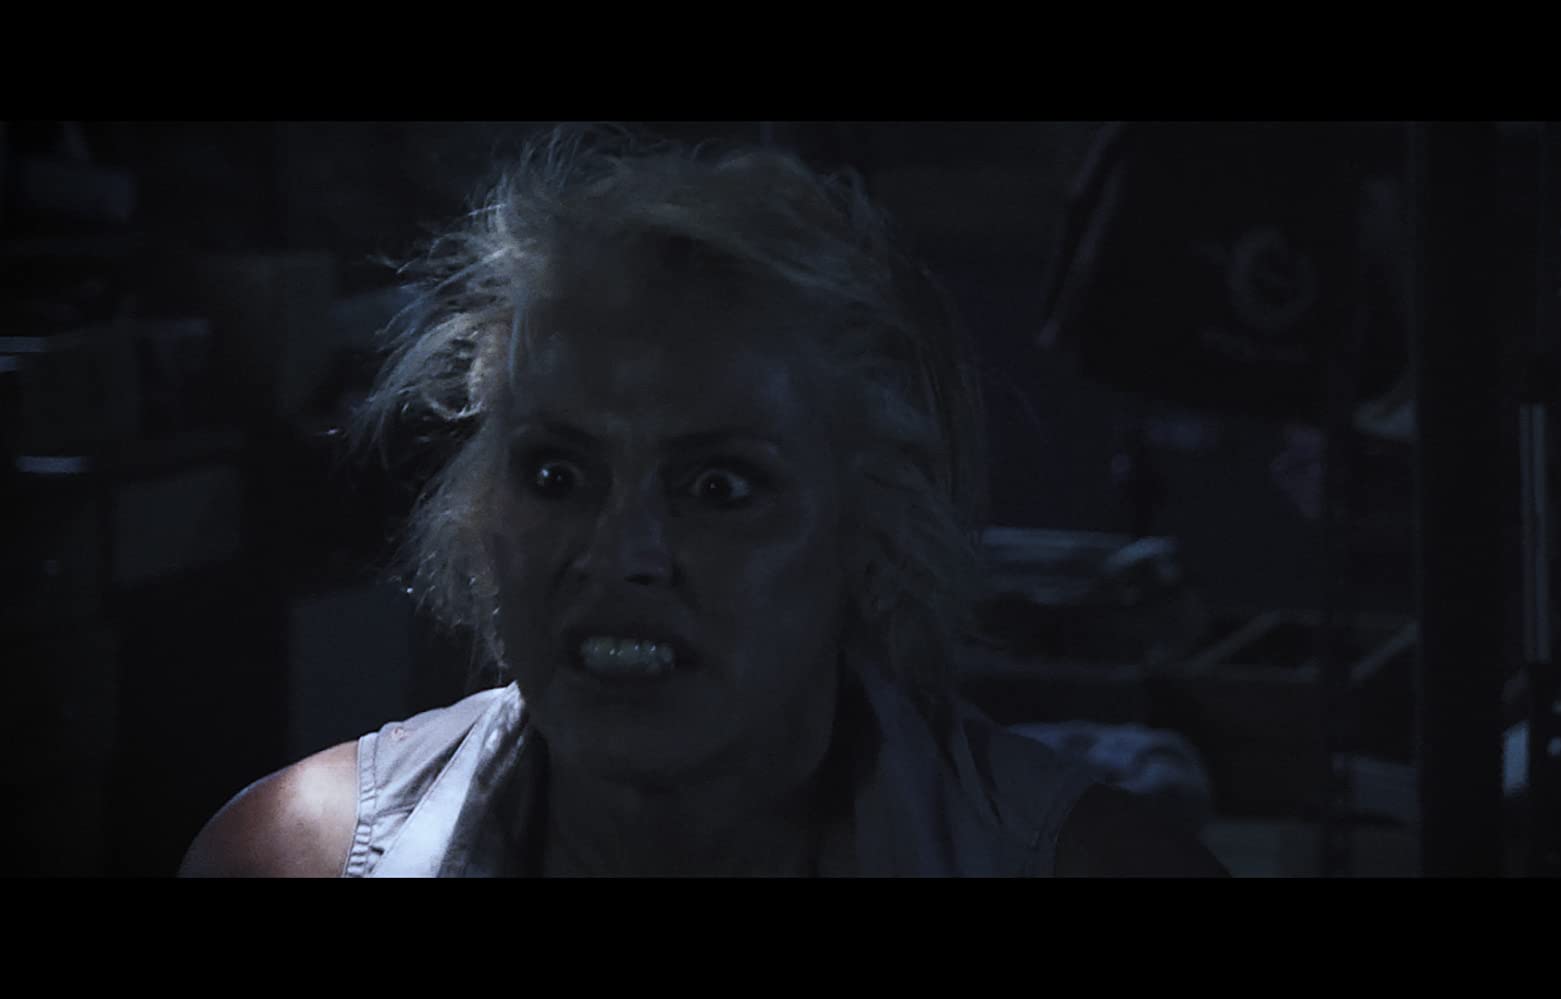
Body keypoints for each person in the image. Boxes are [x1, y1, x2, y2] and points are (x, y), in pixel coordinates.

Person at [179, 128, 1229, 877]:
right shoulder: (299, 857)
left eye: (718, 486)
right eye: (556, 474)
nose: (620, 553)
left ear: (868, 535)